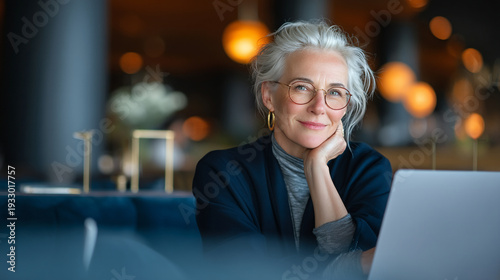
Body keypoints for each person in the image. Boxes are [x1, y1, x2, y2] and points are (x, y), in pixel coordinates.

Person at [192, 20, 392, 279]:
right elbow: (243, 271)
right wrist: (351, 266)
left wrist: (317, 168)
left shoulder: (369, 168)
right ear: (269, 96)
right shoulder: (222, 173)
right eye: (301, 87)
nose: (319, 106)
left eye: (334, 92)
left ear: (345, 105)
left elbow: (374, 268)